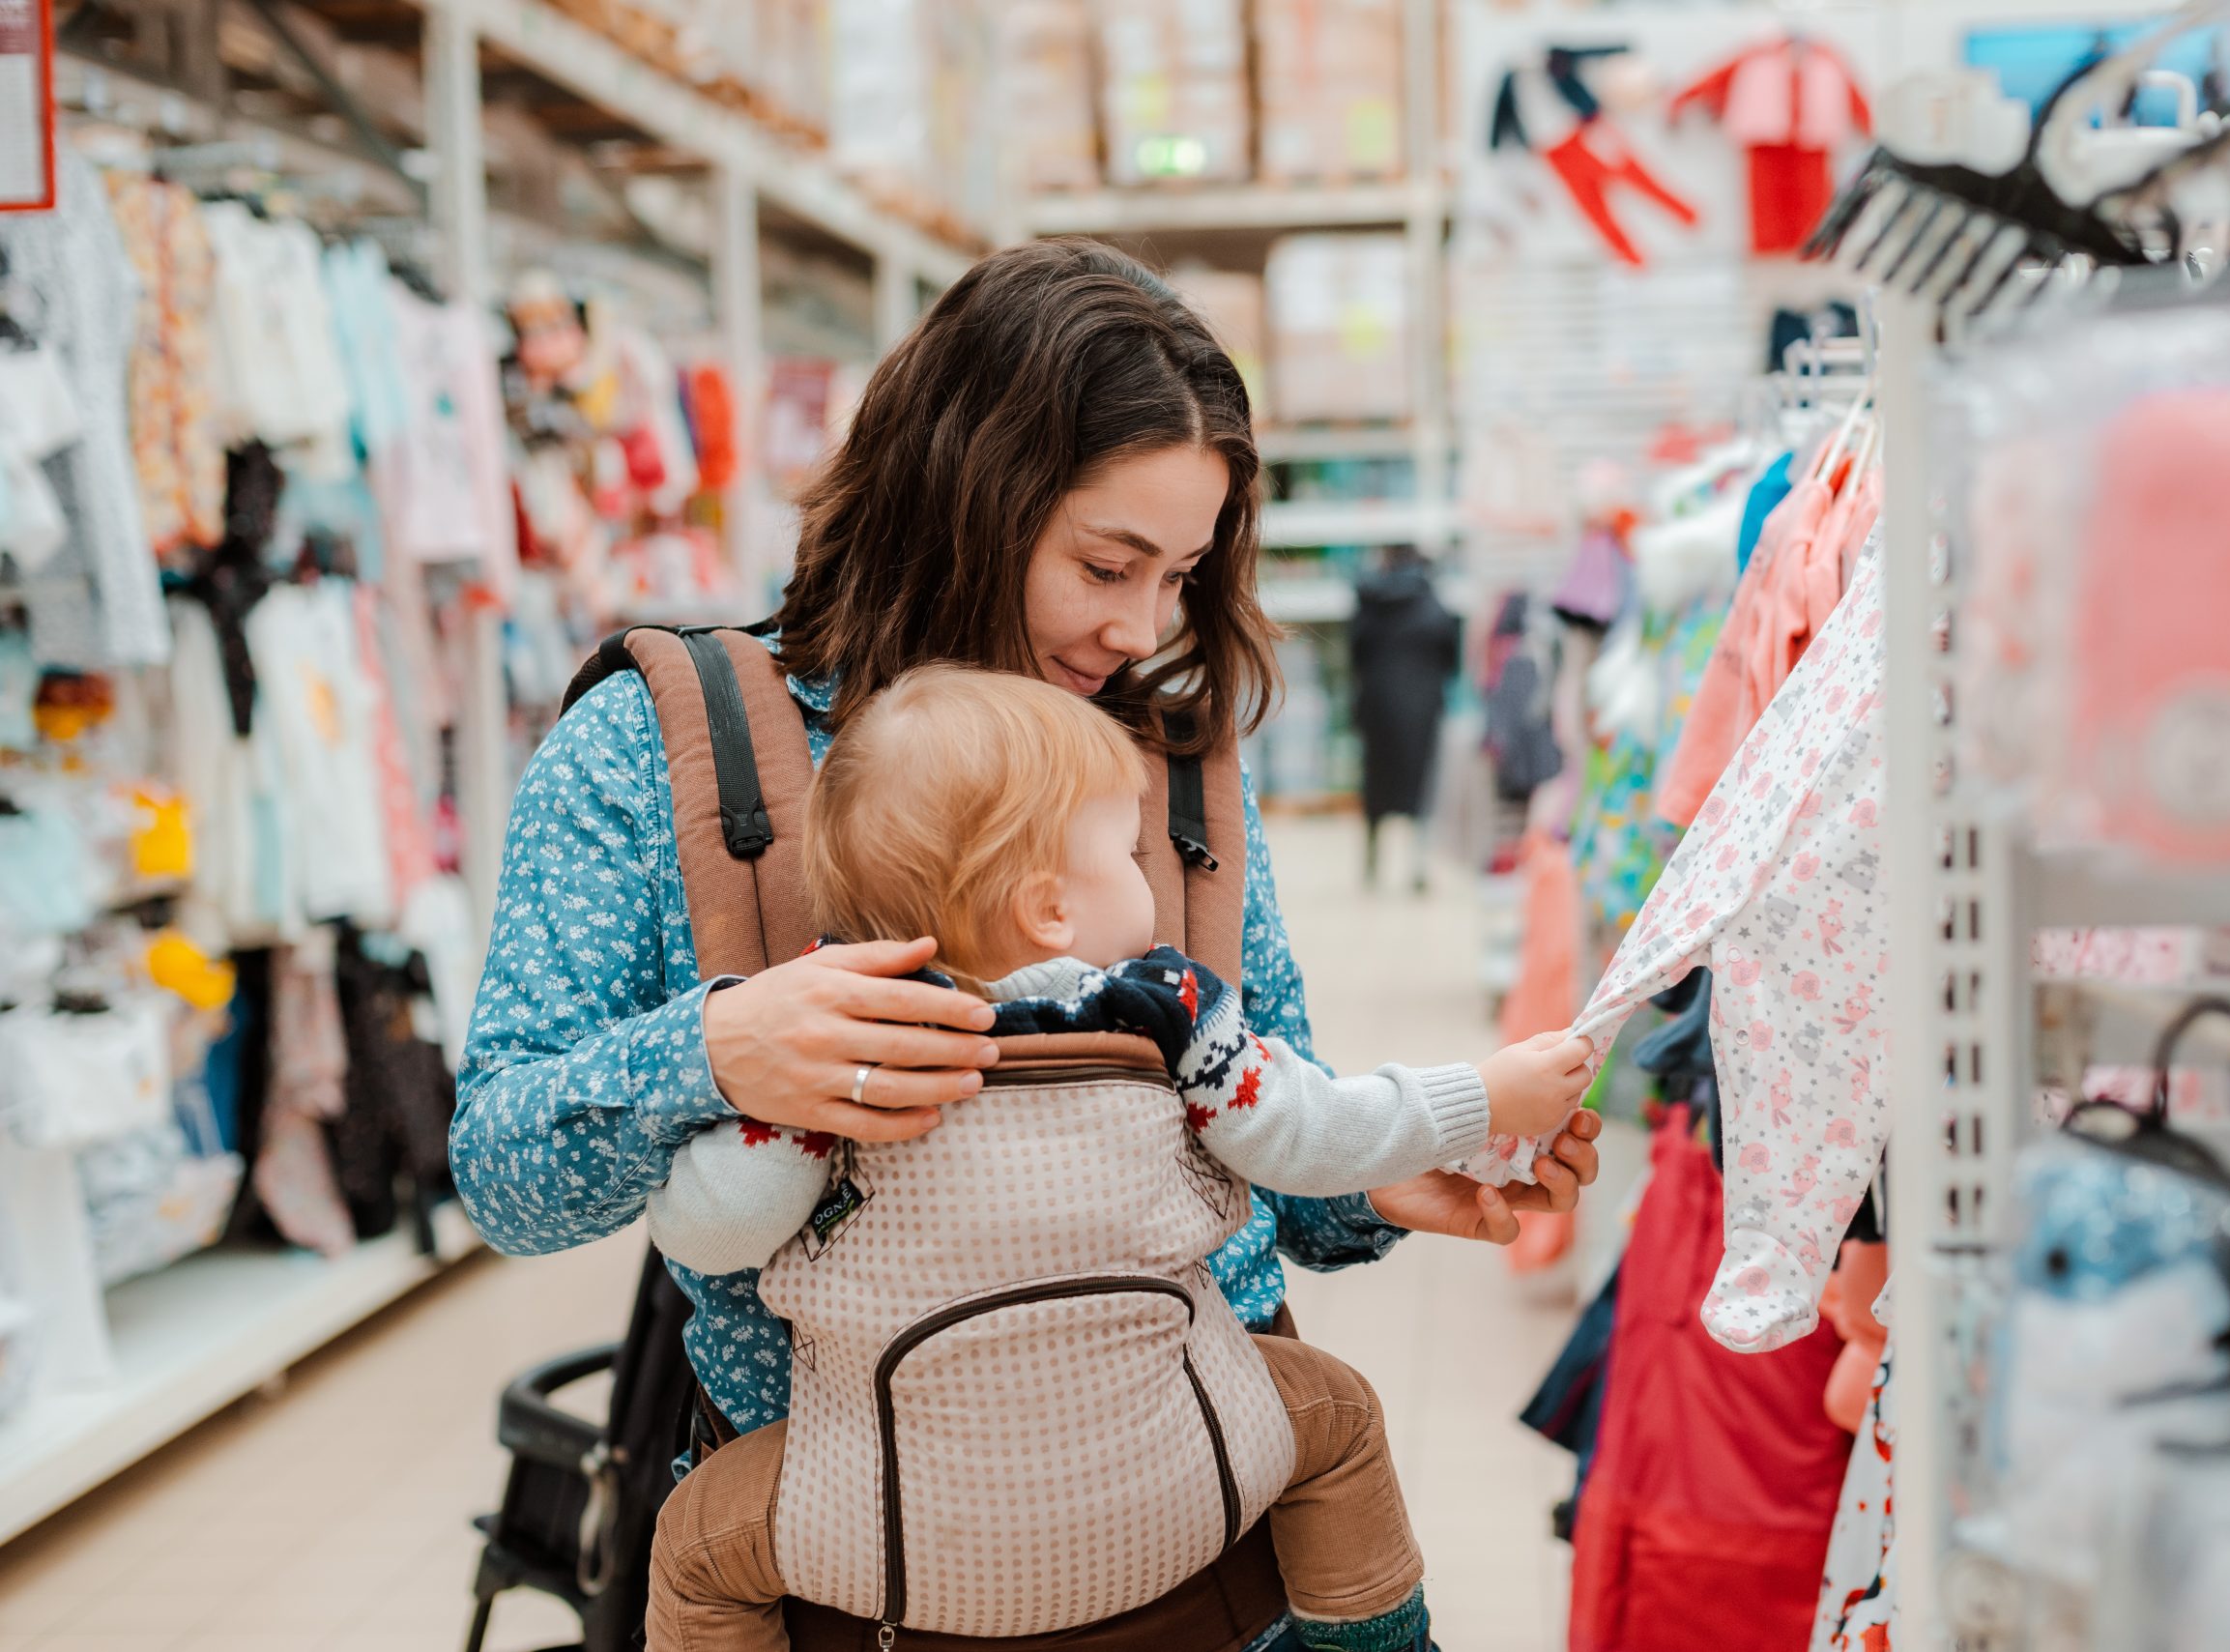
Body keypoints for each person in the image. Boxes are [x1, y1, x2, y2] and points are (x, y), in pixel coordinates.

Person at [449, 238, 1602, 1648]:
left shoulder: (1164, 768)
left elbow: (1272, 1144)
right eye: (1106, 563)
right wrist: (722, 1047)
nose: (1141, 626)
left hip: (1205, 1554)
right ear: (961, 492)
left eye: (1180, 575)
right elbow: (503, 1172)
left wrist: (1379, 1184)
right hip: (854, 1572)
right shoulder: (664, 747)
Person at [639, 665, 1595, 1652]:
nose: (1149, 870)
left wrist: (723, 1091)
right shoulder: (1171, 1014)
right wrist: (1482, 1096)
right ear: (1050, 909)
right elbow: (1319, 1135)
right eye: (1130, 849)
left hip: (893, 1543)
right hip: (1187, 1495)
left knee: (696, 1543)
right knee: (1338, 1414)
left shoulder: (843, 1052)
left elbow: (713, 1233)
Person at [1347, 546, 1461, 891]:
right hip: (1422, 712)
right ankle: (1419, 867)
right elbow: (1451, 659)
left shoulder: (1369, 603)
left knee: (1375, 789)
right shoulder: (1432, 605)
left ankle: (1371, 864)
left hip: (1376, 710)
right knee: (1421, 790)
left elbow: (1355, 654)